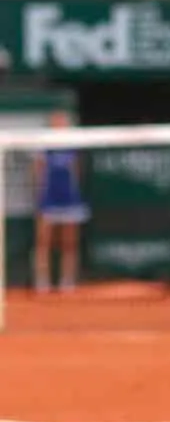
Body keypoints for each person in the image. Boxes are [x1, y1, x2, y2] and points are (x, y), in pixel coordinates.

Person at [30, 110, 89, 294]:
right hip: (48, 198)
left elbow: (77, 171)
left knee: (69, 242)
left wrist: (73, 193)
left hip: (69, 198)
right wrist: (40, 196)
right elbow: (37, 171)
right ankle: (42, 282)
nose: (60, 124)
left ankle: (67, 281)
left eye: (63, 122)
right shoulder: (43, 145)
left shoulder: (72, 145)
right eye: (57, 121)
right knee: (43, 242)